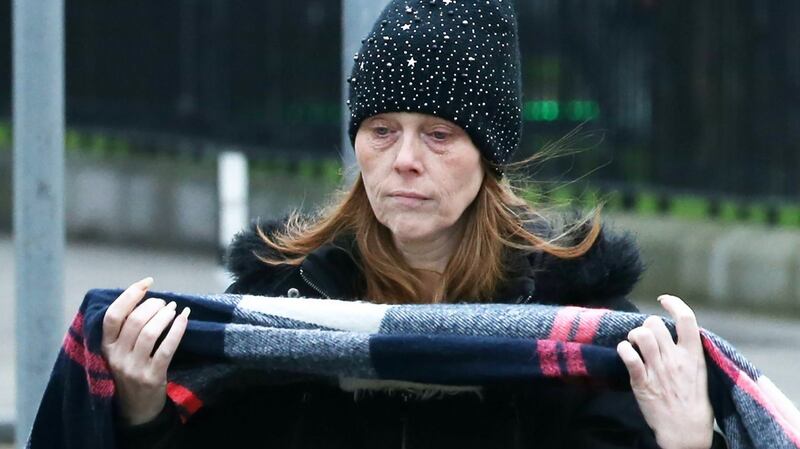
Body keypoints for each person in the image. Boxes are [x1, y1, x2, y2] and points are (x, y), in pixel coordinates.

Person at [101, 0, 727, 447]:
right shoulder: (283, 304)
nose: (404, 161)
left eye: (438, 135)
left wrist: (690, 440)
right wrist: (141, 409)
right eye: (381, 131)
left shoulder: (572, 320)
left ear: (489, 155)